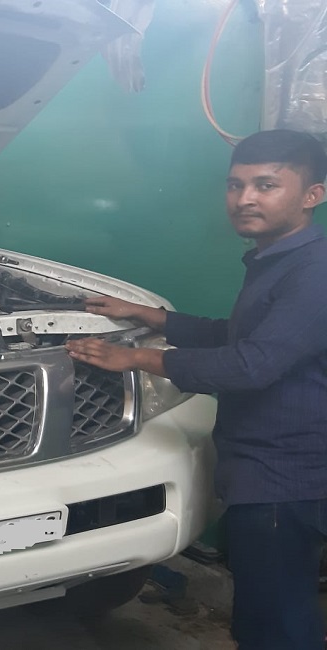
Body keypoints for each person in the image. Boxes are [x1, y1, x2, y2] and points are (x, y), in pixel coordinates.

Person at [65, 129, 327, 650]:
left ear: (312, 194)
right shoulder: (279, 259)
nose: (245, 199)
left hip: (285, 474)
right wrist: (151, 316)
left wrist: (137, 358)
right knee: (267, 608)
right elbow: (239, 335)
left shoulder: (314, 273)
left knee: (274, 621)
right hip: (264, 464)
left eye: (267, 185)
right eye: (235, 185)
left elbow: (252, 364)